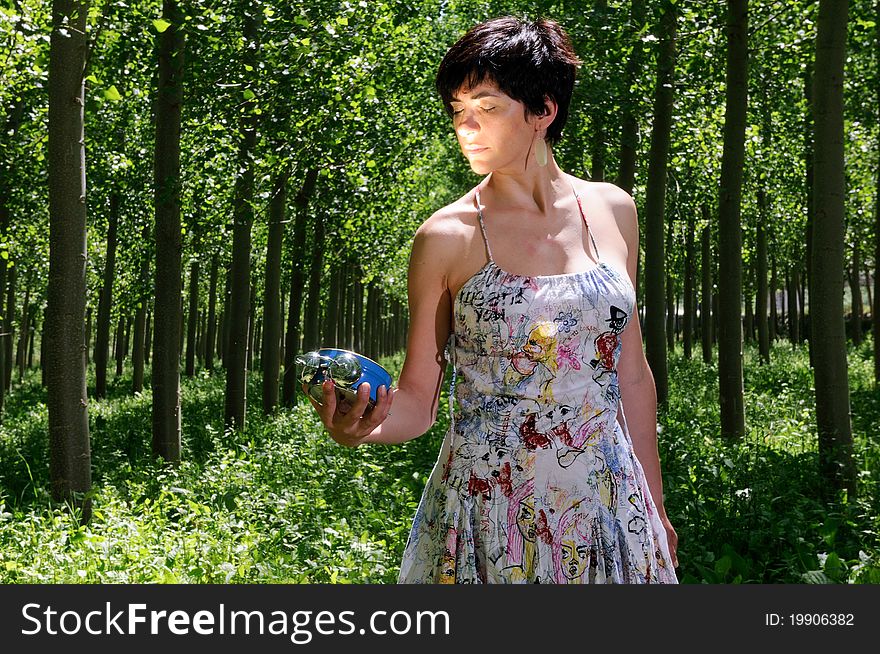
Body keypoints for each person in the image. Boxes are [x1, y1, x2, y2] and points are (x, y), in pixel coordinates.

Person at [303, 15, 679, 584]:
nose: (466, 127)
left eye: (487, 106)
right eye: (458, 111)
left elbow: (631, 376)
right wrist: (362, 426)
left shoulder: (614, 210)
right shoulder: (446, 237)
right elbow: (416, 401)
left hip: (607, 504)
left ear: (543, 110)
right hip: (492, 514)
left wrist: (654, 504)